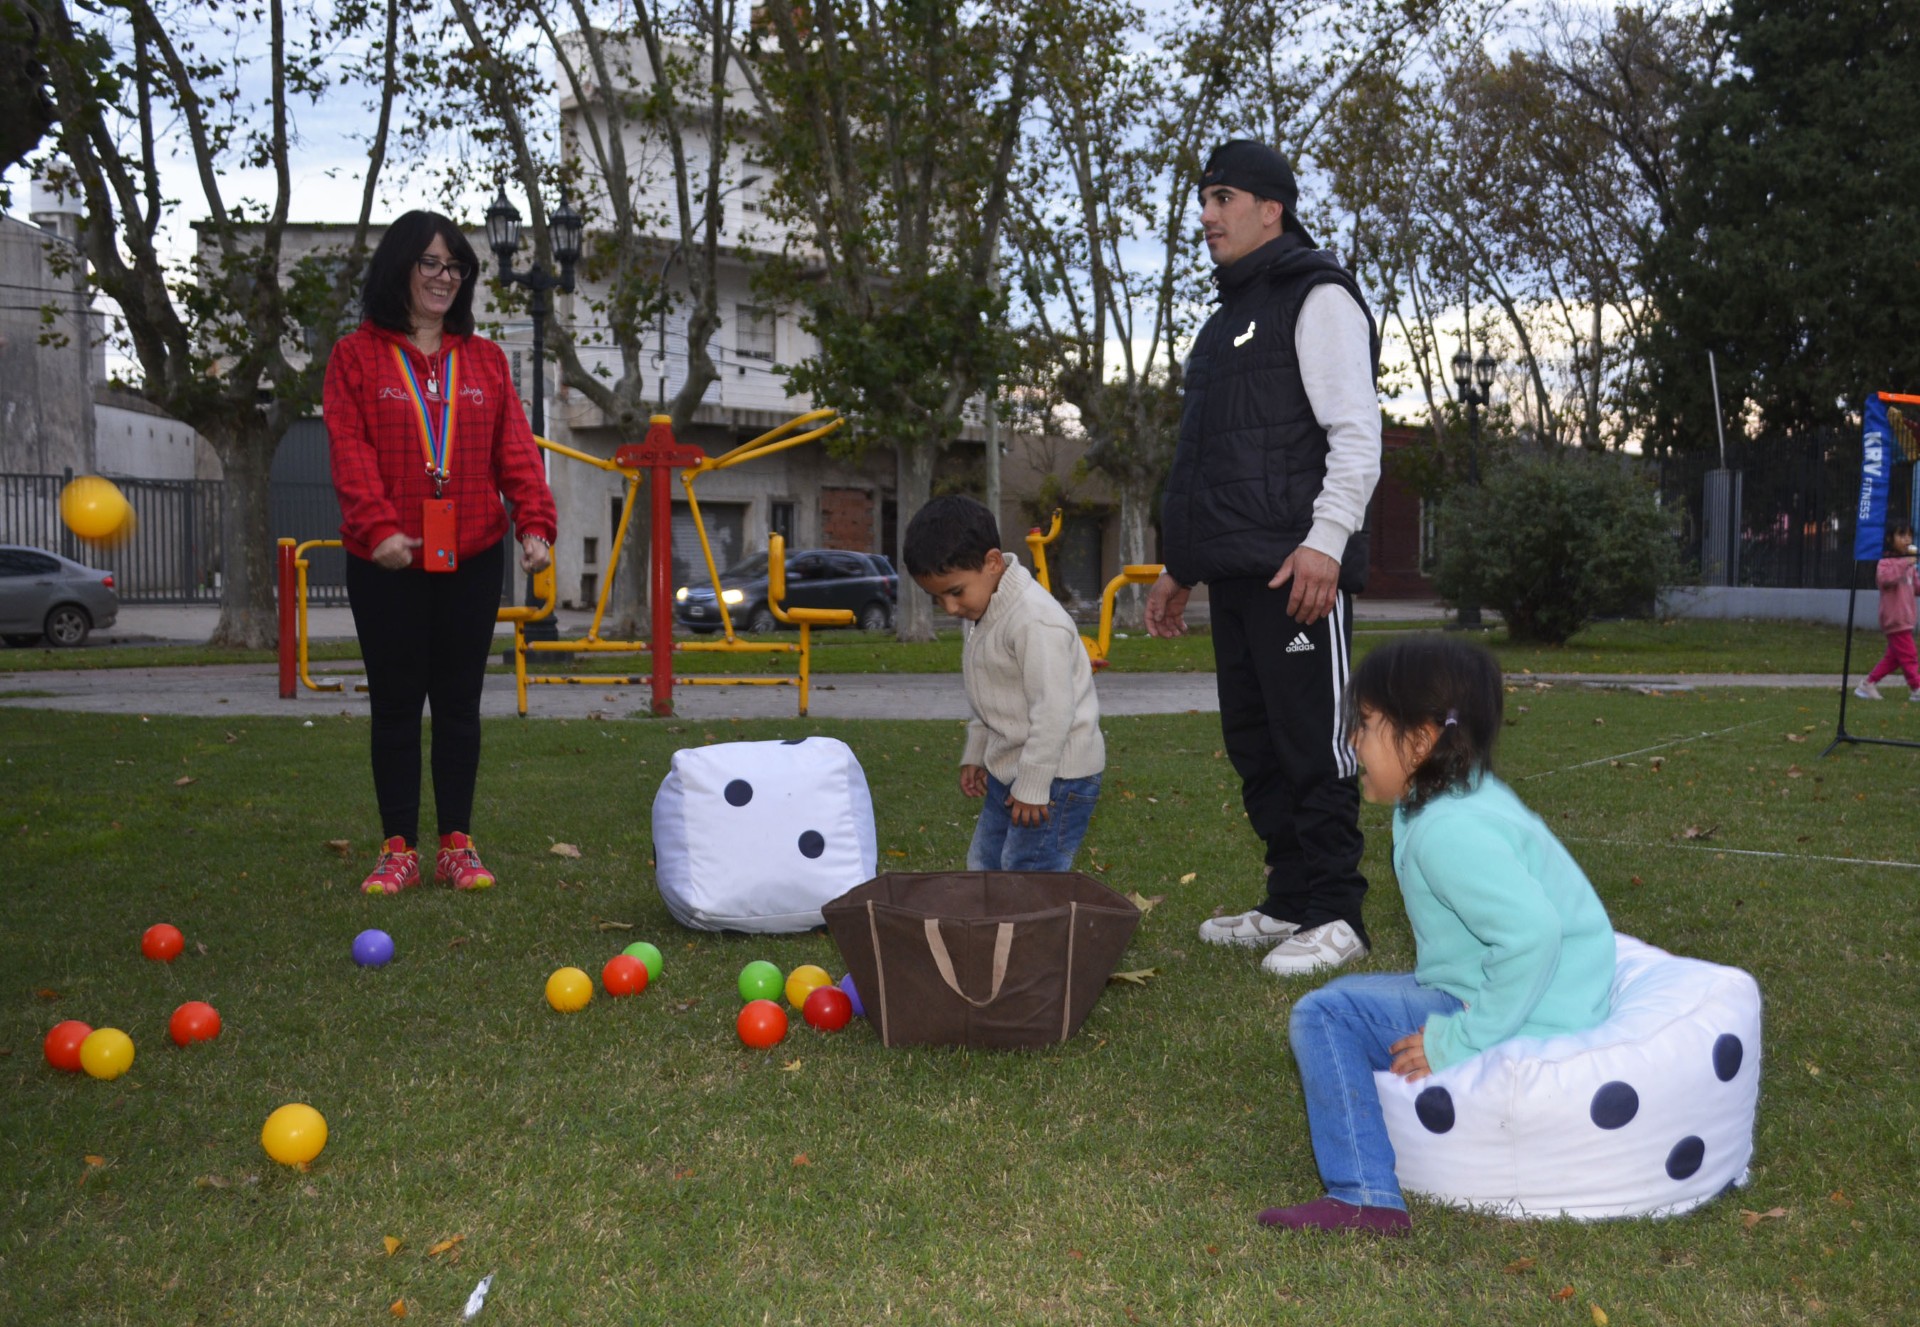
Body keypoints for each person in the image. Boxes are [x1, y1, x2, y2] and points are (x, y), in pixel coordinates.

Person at [1261, 636, 1616, 1235]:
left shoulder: (1449, 831)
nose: (1353, 741)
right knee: (1353, 999)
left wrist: (1461, 1039)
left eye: (1365, 724)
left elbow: (1533, 936)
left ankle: (1364, 1195)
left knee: (1325, 1015)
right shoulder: (1461, 796)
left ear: (1421, 741)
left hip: (1532, 1007)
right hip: (1555, 990)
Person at [1145, 139, 1382, 975]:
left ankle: (1338, 913)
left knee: (1315, 744)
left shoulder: (1319, 297)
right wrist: (1181, 565)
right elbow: (1210, 463)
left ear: (1270, 209)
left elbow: (1357, 436)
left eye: (1223, 198)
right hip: (1238, 576)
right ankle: (1290, 900)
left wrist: (1325, 543)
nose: (1207, 216)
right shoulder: (1223, 324)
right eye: (1204, 201)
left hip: (1300, 575)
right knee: (1256, 745)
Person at [324, 210, 557, 895]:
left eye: (455, 266)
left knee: (458, 704)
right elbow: (349, 450)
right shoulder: (355, 356)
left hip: (473, 551)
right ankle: (398, 847)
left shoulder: (485, 360)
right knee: (397, 705)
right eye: (429, 262)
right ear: (399, 267)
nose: (443, 276)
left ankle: (458, 844)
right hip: (386, 558)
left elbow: (515, 450)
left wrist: (534, 524)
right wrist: (377, 529)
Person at [903, 495, 1105, 871]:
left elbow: (1054, 712)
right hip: (1009, 768)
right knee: (985, 862)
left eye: (955, 592)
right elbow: (991, 693)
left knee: (1027, 872)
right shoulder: (984, 609)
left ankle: (1038, 914)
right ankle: (991, 914)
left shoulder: (1034, 620)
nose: (950, 608)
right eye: (936, 598)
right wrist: (977, 752)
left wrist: (1034, 786)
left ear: (993, 562)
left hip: (1056, 774)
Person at [1854, 522, 1919, 701]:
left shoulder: (1909, 565)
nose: (1907, 539)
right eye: (1901, 535)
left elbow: (1916, 588)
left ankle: (1867, 684)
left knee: (1894, 658)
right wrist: (1905, 563)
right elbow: (1885, 579)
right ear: (1890, 539)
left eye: (1909, 535)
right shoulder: (1886, 562)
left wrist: (1910, 566)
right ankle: (1916, 688)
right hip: (1894, 618)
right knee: (1909, 656)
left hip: (1906, 618)